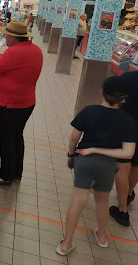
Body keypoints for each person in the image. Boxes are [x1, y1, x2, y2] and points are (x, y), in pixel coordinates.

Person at [56, 76, 136, 256]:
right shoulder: (128, 121)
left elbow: (74, 137)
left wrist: (72, 154)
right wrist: (100, 150)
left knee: (78, 200)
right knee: (102, 200)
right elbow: (128, 153)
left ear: (102, 92)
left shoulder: (89, 111)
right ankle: (102, 238)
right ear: (123, 98)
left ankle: (66, 244)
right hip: (107, 165)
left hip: (84, 161)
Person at [0, 21, 43, 185]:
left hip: (11, 105)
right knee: (16, 137)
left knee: (5, 139)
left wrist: (2, 59)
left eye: (6, 35)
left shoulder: (14, 52)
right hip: (26, 103)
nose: (5, 37)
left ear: (15, 37)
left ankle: (5, 175)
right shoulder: (35, 50)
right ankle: (17, 173)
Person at [110, 70, 138, 226]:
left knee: (123, 167)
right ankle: (128, 194)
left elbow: (114, 101)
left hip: (127, 128)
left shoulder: (128, 77)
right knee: (136, 165)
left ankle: (122, 211)